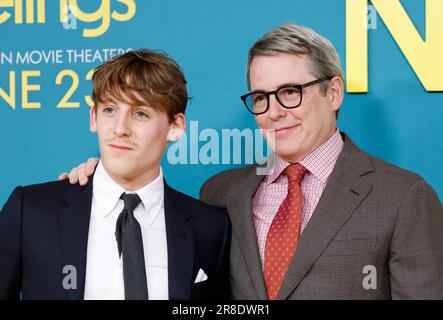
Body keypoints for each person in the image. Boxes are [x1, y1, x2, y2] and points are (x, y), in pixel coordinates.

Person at [59, 23, 443, 299]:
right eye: (261, 97)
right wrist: (105, 178)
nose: (274, 111)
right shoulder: (221, 194)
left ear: (334, 92)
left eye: (290, 92)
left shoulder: (403, 196)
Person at [0, 50, 230, 300]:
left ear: (175, 127)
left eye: (140, 113)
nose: (120, 129)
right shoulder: (31, 212)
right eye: (110, 110)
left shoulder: (210, 228)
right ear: (93, 118)